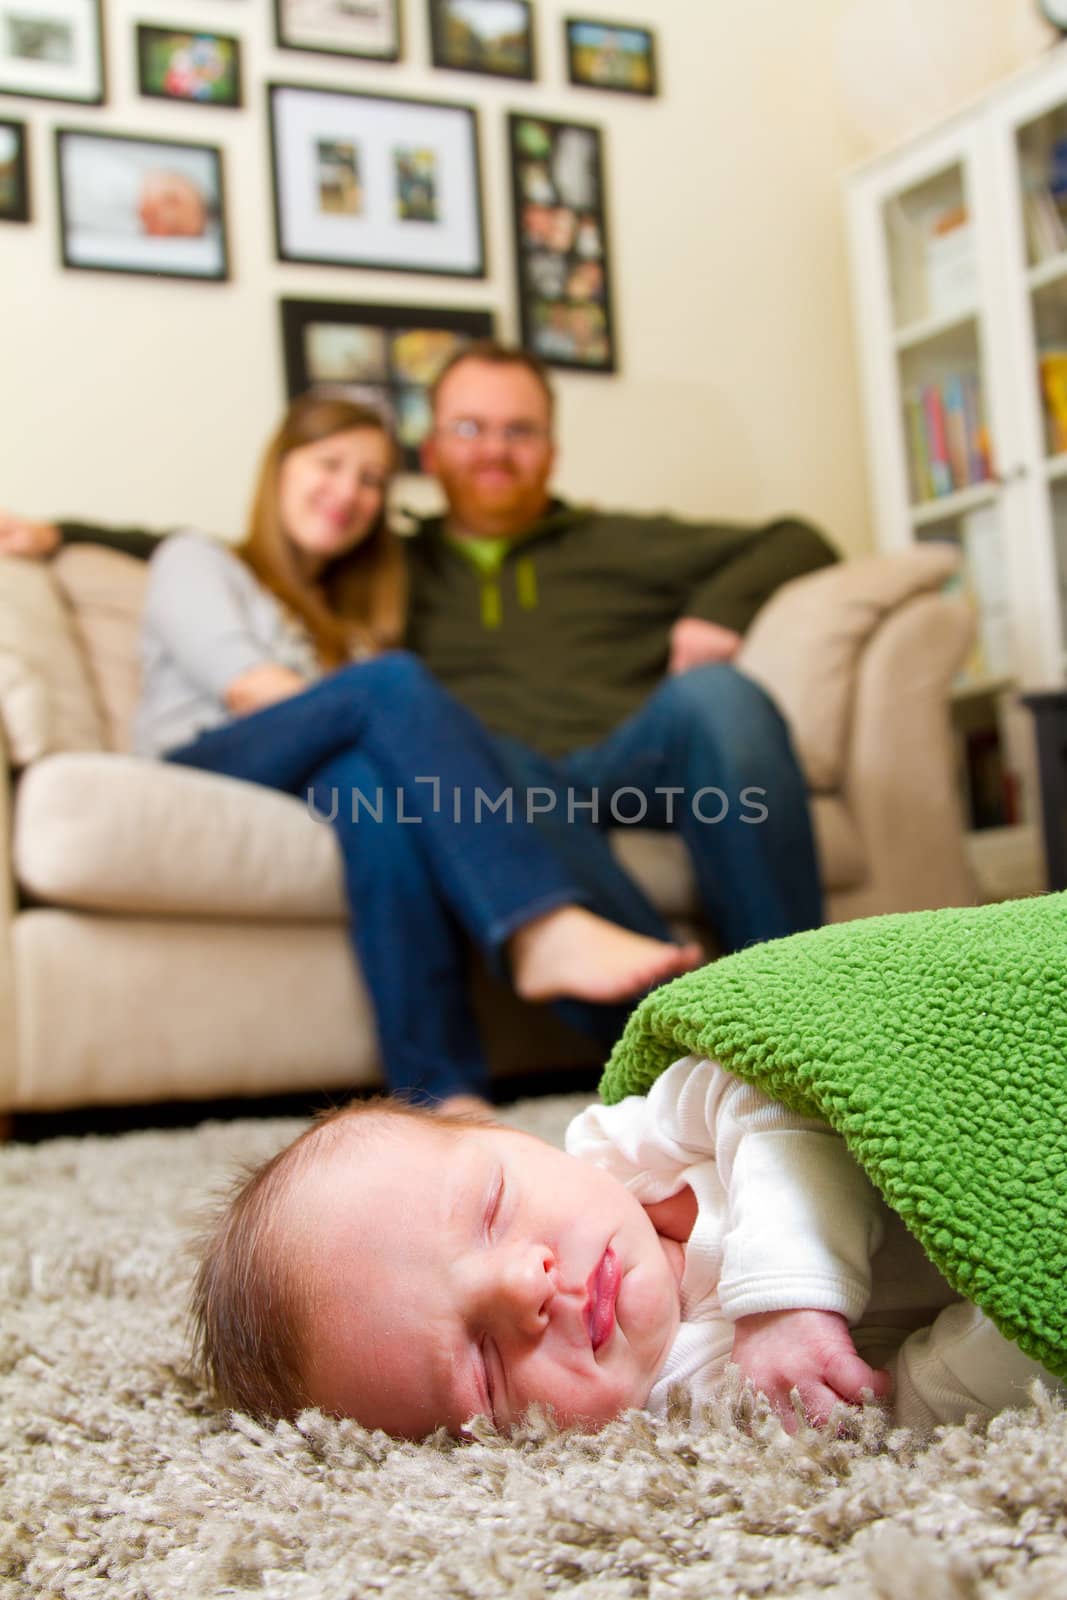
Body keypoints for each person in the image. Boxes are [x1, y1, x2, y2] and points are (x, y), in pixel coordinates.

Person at [0, 341, 838, 984]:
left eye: (519, 432)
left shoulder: (624, 541)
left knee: (720, 696)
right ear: (431, 453)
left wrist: (713, 615)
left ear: (551, 449)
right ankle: (680, 1002)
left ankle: (799, 1000)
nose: (493, 451)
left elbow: (800, 536)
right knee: (474, 745)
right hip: (488, 778)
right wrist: (67, 535)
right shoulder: (391, 561)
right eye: (468, 429)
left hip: (627, 763)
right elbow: (241, 551)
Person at [120, 393, 702, 1110]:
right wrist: (366, 702)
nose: (349, 493)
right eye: (329, 465)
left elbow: (342, 732)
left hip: (310, 770)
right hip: (204, 761)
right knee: (390, 687)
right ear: (278, 469)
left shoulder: (351, 624)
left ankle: (442, 1093)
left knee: (372, 793)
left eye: (370, 480)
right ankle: (539, 926)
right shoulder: (198, 559)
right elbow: (249, 690)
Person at [188, 1055, 1061, 1438]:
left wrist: (786, 1297)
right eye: (484, 1369)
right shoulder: (692, 1400)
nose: (522, 1286)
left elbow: (774, 1085)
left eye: (491, 1209)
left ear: (506, 1136)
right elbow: (911, 1399)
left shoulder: (630, 1143)